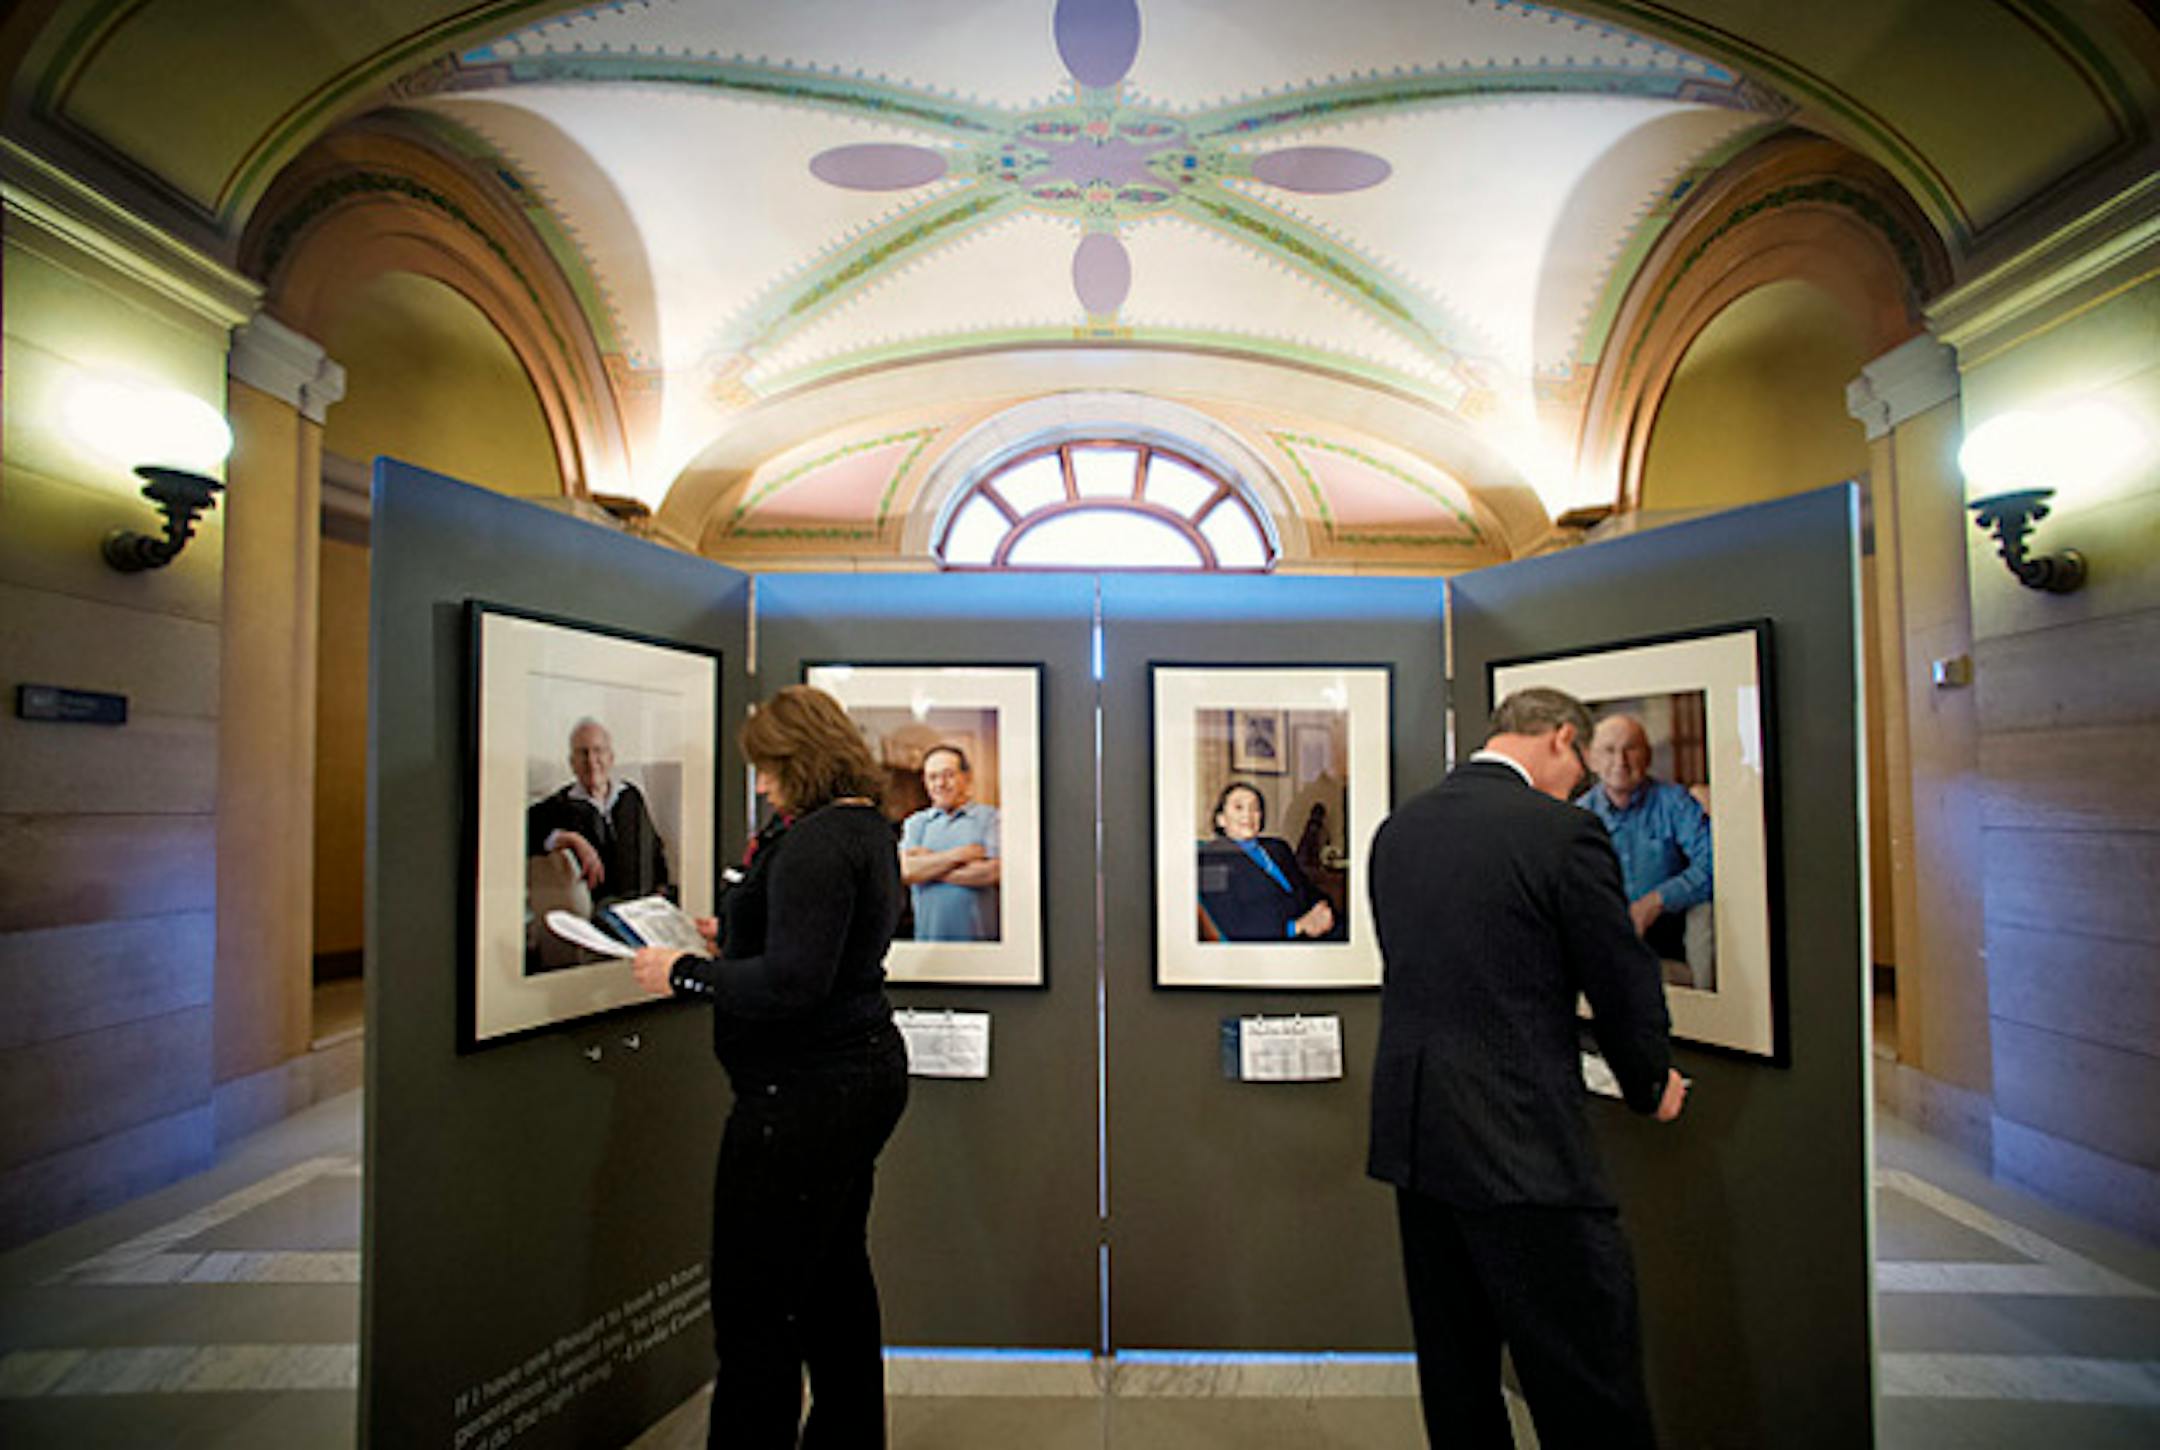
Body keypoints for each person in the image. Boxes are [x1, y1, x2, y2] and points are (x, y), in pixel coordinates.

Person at [1368, 687, 1687, 1449]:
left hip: (1419, 1139)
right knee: (1587, 1380)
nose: (1579, 785)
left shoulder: (1399, 830)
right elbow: (1619, 977)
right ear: (1562, 738)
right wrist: (1649, 1082)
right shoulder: (1563, 834)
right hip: (1522, 1144)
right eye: (1581, 767)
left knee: (1457, 1374)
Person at [628, 685, 909, 1449]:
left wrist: (685, 972)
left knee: (755, 1304)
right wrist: (736, 936)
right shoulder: (865, 827)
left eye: (769, 768)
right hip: (856, 1074)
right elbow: (823, 945)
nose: (760, 785)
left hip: (802, 1094)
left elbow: (793, 985)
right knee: (832, 1278)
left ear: (802, 760)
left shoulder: (816, 841)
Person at [1579, 713, 1714, 979]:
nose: (1620, 761)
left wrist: (1655, 902)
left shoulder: (1675, 802)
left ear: (1648, 756)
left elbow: (1712, 863)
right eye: (1609, 750)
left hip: (1672, 927)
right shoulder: (1579, 817)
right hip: (1607, 934)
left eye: (1630, 748)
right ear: (1591, 759)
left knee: (1706, 911)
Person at [526, 716, 671, 905]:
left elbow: (653, 848)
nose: (591, 760)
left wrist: (662, 891)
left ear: (610, 758)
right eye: (583, 753)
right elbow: (522, 833)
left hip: (646, 904)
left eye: (598, 751)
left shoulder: (630, 795)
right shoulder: (561, 804)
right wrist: (571, 839)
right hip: (603, 907)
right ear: (572, 763)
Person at [1197, 780, 1339, 941]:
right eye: (1239, 807)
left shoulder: (1278, 847)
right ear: (1221, 819)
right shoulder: (1209, 859)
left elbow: (1308, 889)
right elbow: (1233, 925)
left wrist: (1323, 908)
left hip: (1319, 929)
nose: (1248, 815)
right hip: (1276, 942)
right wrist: (1298, 926)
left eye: (1255, 808)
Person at [898, 744, 1000, 941]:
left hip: (980, 945)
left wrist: (928, 867)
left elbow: (992, 873)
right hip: (929, 944)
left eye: (948, 775)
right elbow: (906, 871)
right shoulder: (915, 823)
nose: (940, 784)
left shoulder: (991, 818)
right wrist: (961, 855)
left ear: (967, 777)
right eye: (932, 777)